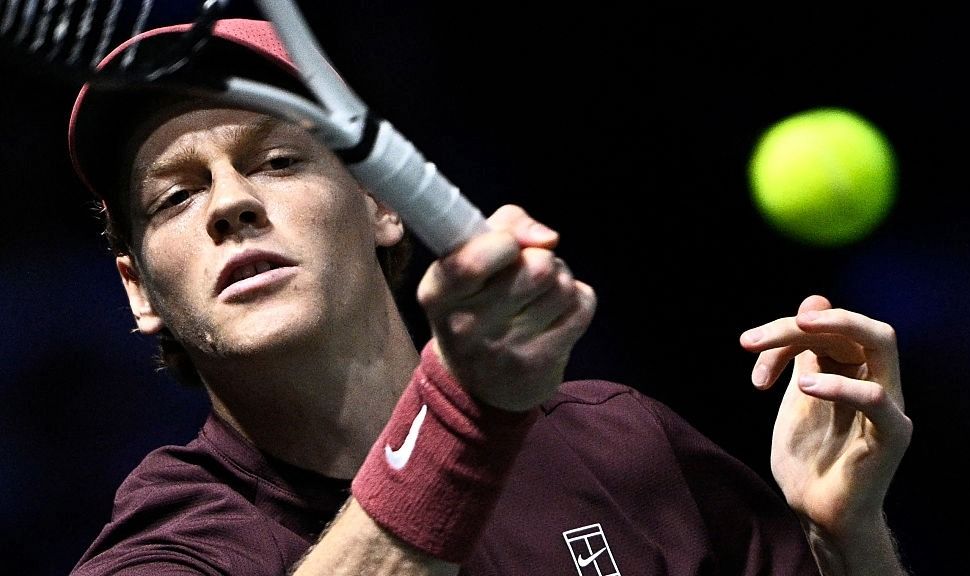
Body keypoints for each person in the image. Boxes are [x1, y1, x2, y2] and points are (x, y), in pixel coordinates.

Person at [64, 18, 913, 576]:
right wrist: (465, 409)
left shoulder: (621, 444)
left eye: (277, 161)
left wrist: (849, 540)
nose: (230, 204)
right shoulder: (165, 551)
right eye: (176, 196)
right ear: (139, 290)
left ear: (380, 206)